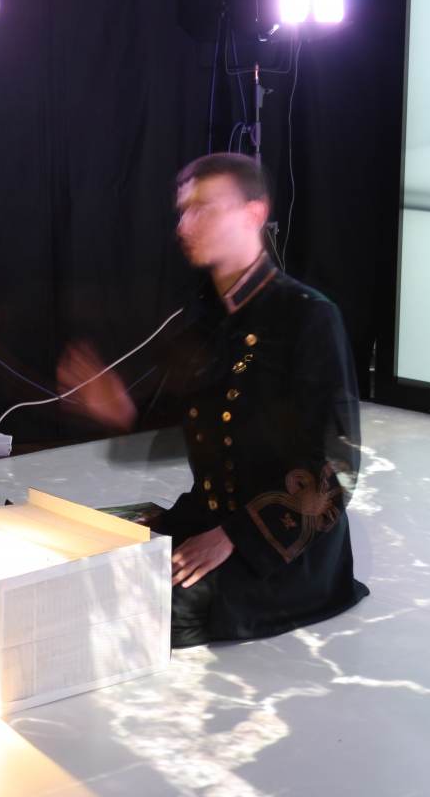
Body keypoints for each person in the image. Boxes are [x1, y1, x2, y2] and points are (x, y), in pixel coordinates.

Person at [57, 153, 367, 647]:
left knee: (133, 608)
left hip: (278, 552)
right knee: (70, 554)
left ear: (253, 214)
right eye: (183, 211)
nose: (184, 226)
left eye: (203, 208)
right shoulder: (207, 322)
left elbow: (337, 470)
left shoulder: (307, 316)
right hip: (207, 520)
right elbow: (206, 428)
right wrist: (122, 412)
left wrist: (235, 536)